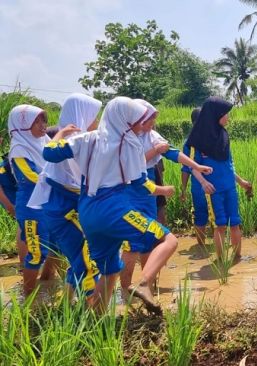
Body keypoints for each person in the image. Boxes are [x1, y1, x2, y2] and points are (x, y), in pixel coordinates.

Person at [44, 97, 179, 314]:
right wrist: (163, 190)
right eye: (138, 120)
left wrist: (60, 133)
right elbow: (142, 184)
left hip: (87, 211)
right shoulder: (131, 145)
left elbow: (49, 153)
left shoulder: (86, 139)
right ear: (126, 120)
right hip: (114, 209)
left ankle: (95, 324)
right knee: (168, 240)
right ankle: (144, 284)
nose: (141, 125)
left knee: (108, 271)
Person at [120, 99, 212, 294]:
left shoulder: (151, 135)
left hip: (148, 185)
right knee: (132, 242)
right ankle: (126, 287)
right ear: (137, 119)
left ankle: (147, 285)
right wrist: (155, 151)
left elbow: (172, 153)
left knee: (147, 240)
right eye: (148, 120)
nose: (152, 124)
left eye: (153, 120)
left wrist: (196, 166)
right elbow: (129, 166)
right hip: (132, 189)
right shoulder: (124, 138)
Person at [28, 93, 102, 299]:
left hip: (63, 211)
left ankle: (68, 309)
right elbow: (51, 155)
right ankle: (92, 314)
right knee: (86, 262)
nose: (97, 122)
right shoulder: (71, 143)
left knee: (78, 260)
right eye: (94, 116)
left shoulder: (78, 142)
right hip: (65, 213)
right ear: (83, 116)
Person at [187, 97, 252, 259]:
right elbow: (193, 166)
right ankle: (221, 261)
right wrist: (203, 182)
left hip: (230, 188)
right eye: (225, 114)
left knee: (235, 223)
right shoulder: (199, 141)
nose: (228, 117)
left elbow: (229, 165)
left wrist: (241, 182)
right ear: (216, 115)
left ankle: (237, 257)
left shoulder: (223, 136)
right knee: (220, 225)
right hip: (214, 190)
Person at [8, 104, 57, 296]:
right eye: (36, 121)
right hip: (32, 206)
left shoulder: (44, 141)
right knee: (36, 252)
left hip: (51, 203)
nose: (43, 125)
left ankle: (49, 285)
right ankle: (28, 297)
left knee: (57, 246)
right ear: (22, 125)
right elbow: (31, 177)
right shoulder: (19, 149)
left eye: (43, 120)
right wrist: (63, 184)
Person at [181, 107, 210, 245]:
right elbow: (187, 167)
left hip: (198, 185)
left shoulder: (189, 142)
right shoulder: (211, 137)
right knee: (215, 213)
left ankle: (201, 246)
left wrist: (183, 189)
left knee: (201, 214)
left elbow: (186, 168)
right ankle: (212, 248)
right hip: (207, 183)